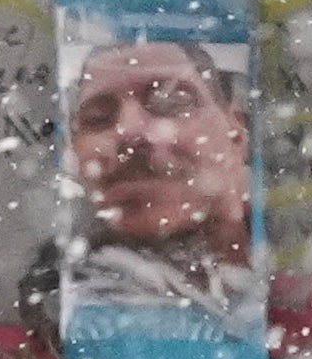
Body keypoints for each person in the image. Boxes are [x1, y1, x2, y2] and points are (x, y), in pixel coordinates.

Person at [64, 33, 256, 315]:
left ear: (236, 134)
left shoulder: (301, 279)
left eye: (170, 101)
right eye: (98, 117)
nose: (129, 131)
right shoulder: (58, 308)